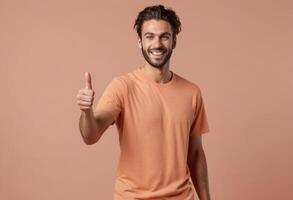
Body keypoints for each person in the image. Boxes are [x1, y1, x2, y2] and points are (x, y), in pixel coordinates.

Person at [76, 4, 211, 200]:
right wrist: (86, 112)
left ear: (174, 41)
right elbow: (91, 136)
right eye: (149, 36)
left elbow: (196, 154)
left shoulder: (192, 92)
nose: (157, 44)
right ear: (140, 42)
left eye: (164, 36)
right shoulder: (122, 86)